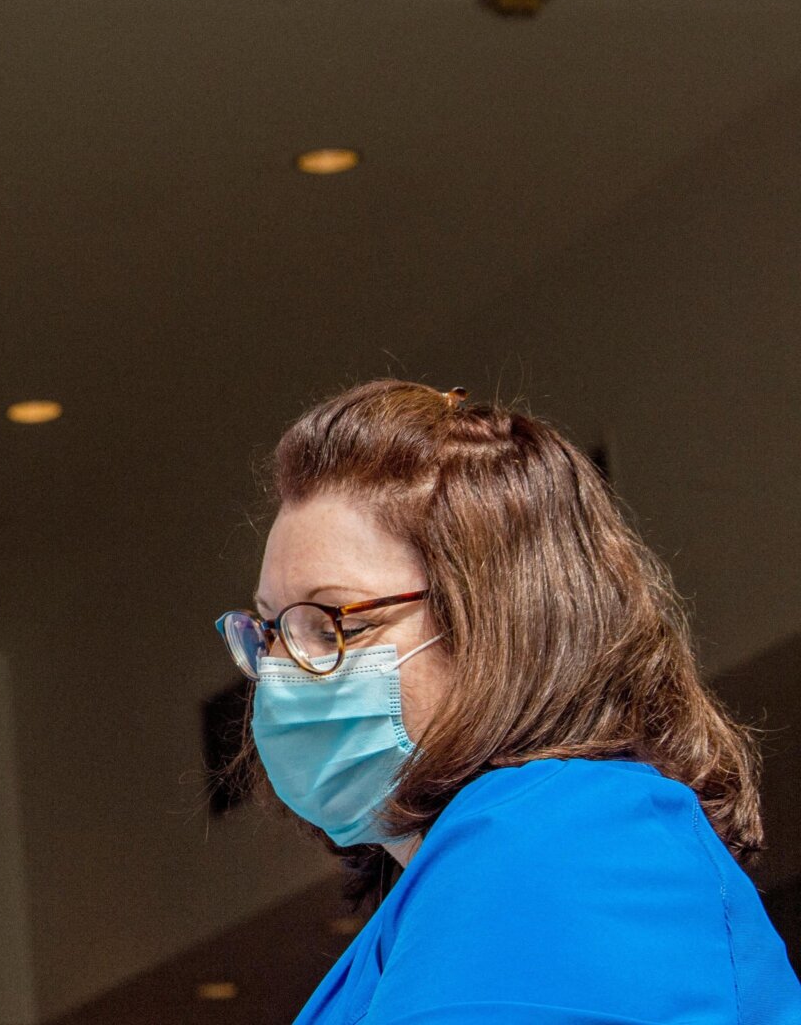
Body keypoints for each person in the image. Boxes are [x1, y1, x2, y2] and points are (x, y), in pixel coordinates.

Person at [215, 380, 801, 1024]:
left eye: (332, 624)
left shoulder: (576, 839)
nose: (279, 672)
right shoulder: (425, 913)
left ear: (498, 625)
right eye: (269, 631)